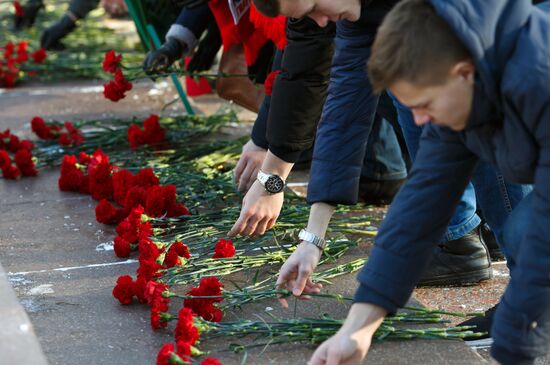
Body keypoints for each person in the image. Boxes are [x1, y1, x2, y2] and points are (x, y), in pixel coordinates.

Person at [284, 0, 548, 364]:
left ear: (464, 72)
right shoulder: (461, 86)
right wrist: (357, 329)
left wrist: (516, 352)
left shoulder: (538, 76)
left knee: (527, 230)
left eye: (423, 104)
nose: (419, 120)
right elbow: (421, 204)